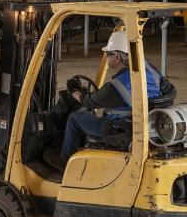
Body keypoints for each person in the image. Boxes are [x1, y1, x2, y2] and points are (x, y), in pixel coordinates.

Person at [47, 31, 176, 170]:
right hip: (149, 125)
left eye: (108, 54)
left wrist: (74, 91)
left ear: (118, 57)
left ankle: (65, 162)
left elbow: (88, 102)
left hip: (118, 128)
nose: (107, 58)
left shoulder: (116, 86)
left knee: (74, 118)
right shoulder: (149, 69)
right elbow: (170, 91)